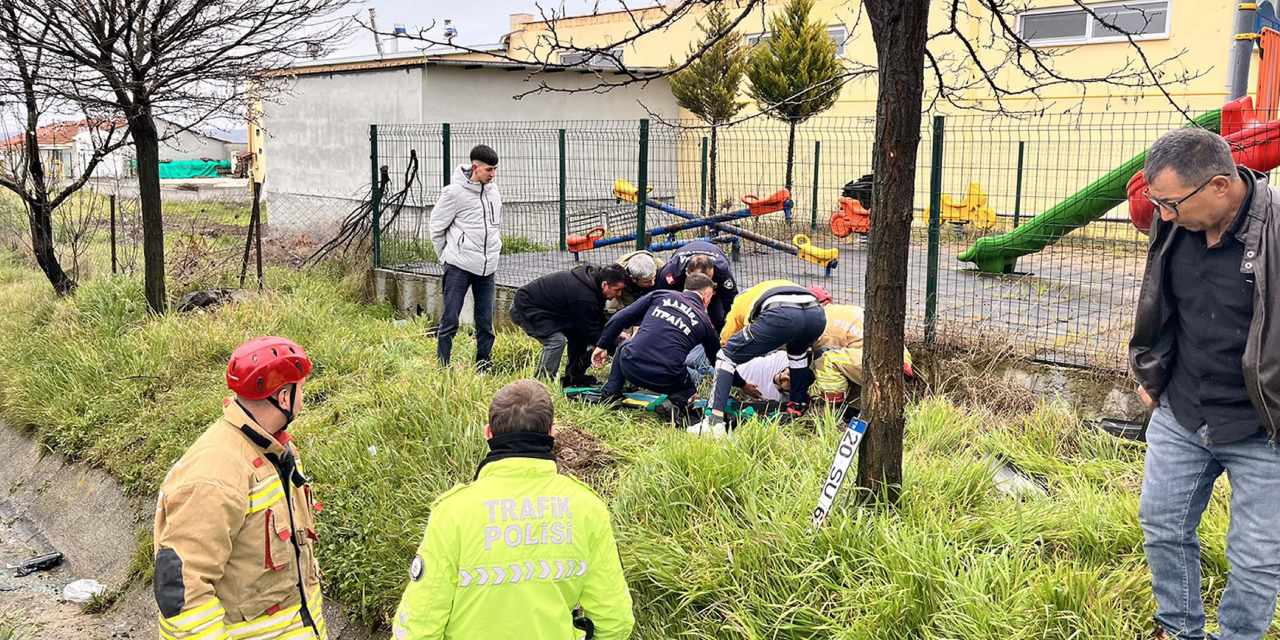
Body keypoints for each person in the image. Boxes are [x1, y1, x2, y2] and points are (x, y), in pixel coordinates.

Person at [1129, 127, 1280, 640]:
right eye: (1158, 202)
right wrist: (1151, 367)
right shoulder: (1176, 223)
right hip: (1184, 410)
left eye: (1171, 203)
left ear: (1220, 185)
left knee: (1257, 559)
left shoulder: (1277, 230)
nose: (1162, 215)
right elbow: (1162, 305)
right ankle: (1179, 628)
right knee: (1163, 527)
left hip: (1264, 426)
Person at [392, 380, 635, 639]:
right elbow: (615, 620)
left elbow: (419, 624)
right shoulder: (587, 507)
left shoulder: (453, 512)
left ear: (488, 434)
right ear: (551, 435)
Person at [153, 337, 328, 639]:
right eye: (302, 387)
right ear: (284, 398)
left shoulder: (272, 450)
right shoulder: (214, 474)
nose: (304, 397)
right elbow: (183, 595)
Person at [691, 279, 826, 438]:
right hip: (816, 314)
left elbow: (724, 343)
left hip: (781, 313)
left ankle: (713, 422)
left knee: (724, 356)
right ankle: (796, 408)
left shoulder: (739, 303)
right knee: (797, 355)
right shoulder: (769, 286)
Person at [589, 272, 720, 415]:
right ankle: (674, 404)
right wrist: (742, 385)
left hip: (631, 367)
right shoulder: (705, 322)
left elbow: (619, 318)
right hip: (666, 379)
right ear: (706, 296)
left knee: (624, 347)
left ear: (685, 289)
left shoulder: (661, 295)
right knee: (689, 390)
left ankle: (610, 394)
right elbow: (718, 361)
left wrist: (602, 346)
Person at [431, 144, 502, 370]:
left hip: (487, 267)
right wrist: (446, 257)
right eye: (489, 170)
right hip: (458, 266)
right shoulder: (453, 193)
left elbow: (493, 226)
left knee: (485, 321)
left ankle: (484, 364)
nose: (493, 174)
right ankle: (443, 365)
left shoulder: (494, 191)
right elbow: (436, 227)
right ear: (475, 167)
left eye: (495, 169)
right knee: (450, 318)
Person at [510, 264, 629, 387]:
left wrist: (615, 331)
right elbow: (592, 331)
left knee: (578, 335)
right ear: (605, 285)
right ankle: (540, 385)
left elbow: (596, 318)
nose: (619, 294)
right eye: (617, 290)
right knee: (556, 341)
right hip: (525, 307)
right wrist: (607, 344)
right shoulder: (583, 296)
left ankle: (573, 378)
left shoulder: (594, 282)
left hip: (553, 311)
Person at [806, 286, 914, 405]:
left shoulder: (820, 320)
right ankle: (854, 405)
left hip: (877, 363)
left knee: (825, 360)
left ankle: (832, 404)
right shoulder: (845, 310)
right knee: (841, 359)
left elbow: (811, 355)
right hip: (901, 359)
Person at [655, 240, 738, 331]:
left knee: (718, 318)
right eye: (699, 280)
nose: (702, 285)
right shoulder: (672, 272)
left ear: (712, 271)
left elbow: (730, 299)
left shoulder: (722, 271)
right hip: (681, 283)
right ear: (688, 273)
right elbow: (661, 296)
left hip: (714, 283)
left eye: (707, 279)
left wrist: (730, 325)